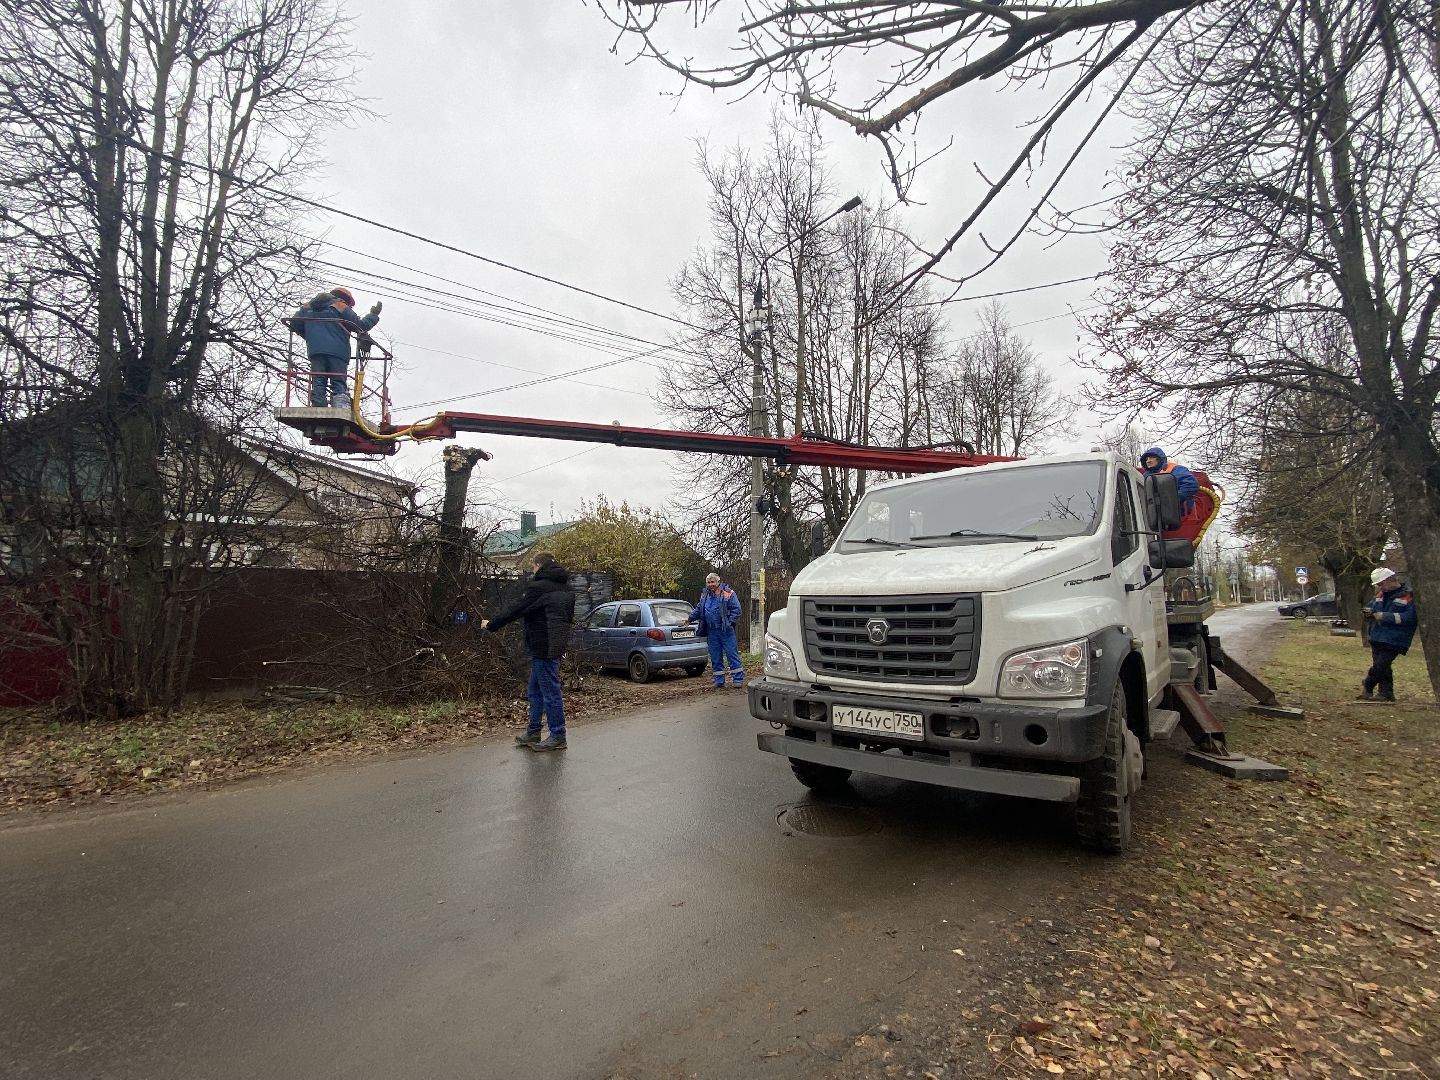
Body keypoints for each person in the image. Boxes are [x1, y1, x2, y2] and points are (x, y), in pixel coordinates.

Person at [482, 553, 577, 750]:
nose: (533, 570)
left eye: (533, 567)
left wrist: (491, 624)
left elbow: (516, 609)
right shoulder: (567, 588)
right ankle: (533, 732)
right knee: (535, 690)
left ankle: (558, 735)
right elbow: (566, 618)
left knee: (550, 692)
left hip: (543, 645)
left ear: (539, 565)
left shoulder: (539, 588)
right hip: (554, 643)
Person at [287, 287, 382, 408]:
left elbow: (294, 324)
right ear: (345, 299)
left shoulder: (307, 307)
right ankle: (340, 405)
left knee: (318, 379)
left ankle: (318, 404)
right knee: (338, 382)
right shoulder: (340, 306)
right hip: (338, 352)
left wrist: (311, 335)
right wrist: (373, 315)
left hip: (316, 351)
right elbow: (360, 325)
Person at [1358, 567, 1418, 703]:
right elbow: (1371, 606)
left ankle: (1368, 684)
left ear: (1391, 579)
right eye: (1378, 584)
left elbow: (1410, 617)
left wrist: (1384, 616)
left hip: (1395, 639)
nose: (1380, 587)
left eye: (1381, 584)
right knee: (1383, 667)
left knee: (1381, 665)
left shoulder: (1408, 595)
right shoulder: (1381, 594)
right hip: (1377, 636)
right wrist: (1368, 611)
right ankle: (1386, 693)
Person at [691, 573, 744, 688]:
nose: (711, 584)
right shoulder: (705, 595)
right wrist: (689, 619)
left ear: (718, 582)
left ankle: (738, 679)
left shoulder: (728, 593)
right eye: (709, 582)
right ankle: (719, 681)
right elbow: (699, 609)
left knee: (732, 654)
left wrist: (729, 623)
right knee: (715, 656)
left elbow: (737, 609)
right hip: (712, 631)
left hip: (726, 630)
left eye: (713, 582)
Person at [1138, 446, 1199, 513]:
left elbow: (1191, 485)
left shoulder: (1174, 469)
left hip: (1175, 514)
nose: (1148, 461)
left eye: (1151, 457)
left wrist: (1171, 499)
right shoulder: (1144, 476)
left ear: (1160, 458)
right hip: (1152, 514)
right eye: (1146, 459)